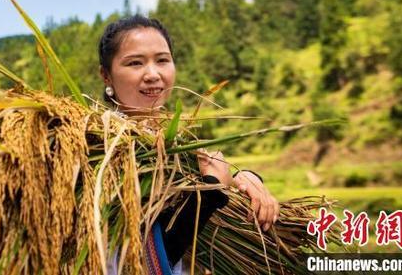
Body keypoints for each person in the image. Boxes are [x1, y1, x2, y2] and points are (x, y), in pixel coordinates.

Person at [98, 15, 279, 274]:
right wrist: (210, 192)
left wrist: (244, 180)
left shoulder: (183, 145)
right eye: (135, 63)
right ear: (106, 75)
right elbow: (135, 264)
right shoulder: (102, 151)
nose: (153, 74)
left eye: (162, 60)